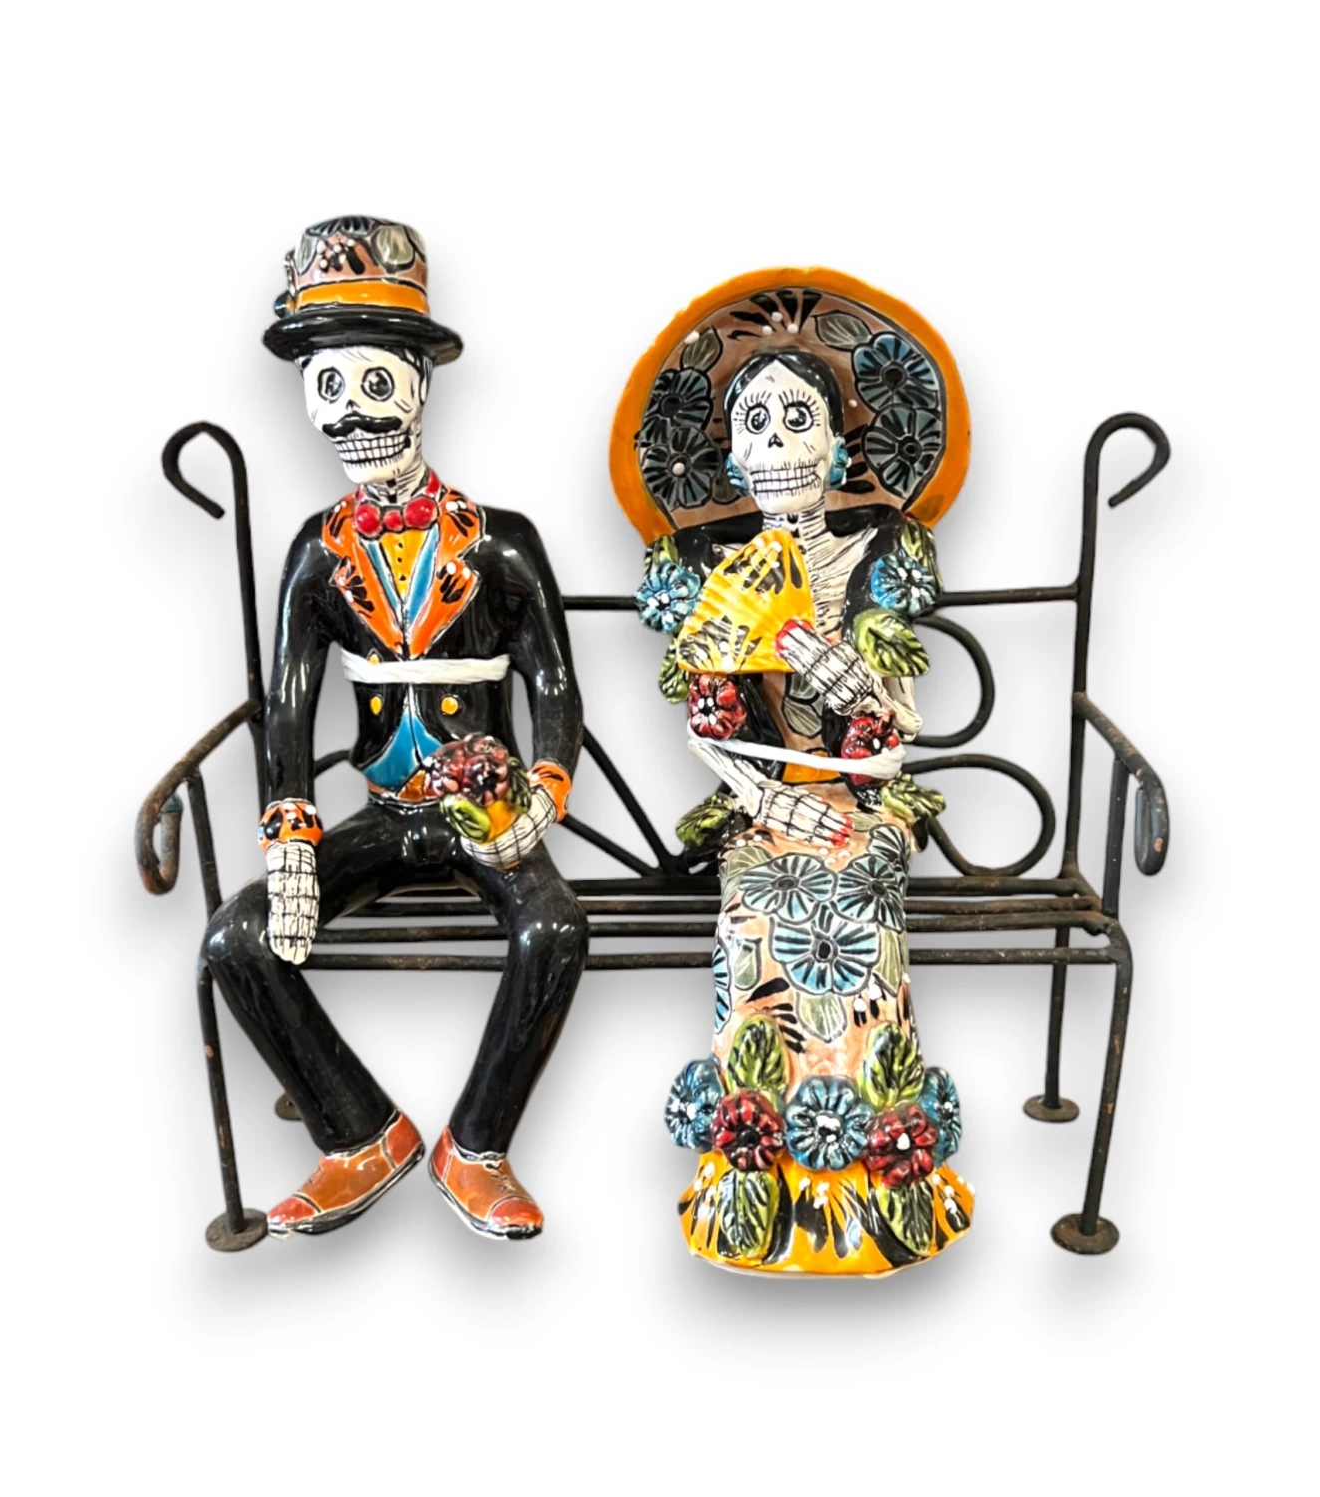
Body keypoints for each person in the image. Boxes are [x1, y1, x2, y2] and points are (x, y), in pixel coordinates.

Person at [203, 216, 587, 1241]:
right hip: (385, 814)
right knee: (236, 938)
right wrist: (291, 838)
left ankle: (478, 1146)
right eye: (327, 385)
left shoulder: (503, 545)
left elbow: (557, 689)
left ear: (421, 384)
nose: (351, 412)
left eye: (375, 382)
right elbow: (289, 708)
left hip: (488, 813)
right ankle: (359, 1134)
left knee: (554, 929)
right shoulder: (316, 553)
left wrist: (542, 799)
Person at [613, 272, 973, 1273]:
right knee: (755, 908)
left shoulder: (880, 553)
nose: (777, 444)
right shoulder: (707, 569)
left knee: (863, 890)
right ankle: (755, 1174)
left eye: (799, 419)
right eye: (757, 424)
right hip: (760, 808)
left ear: (839, 445)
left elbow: (900, 728)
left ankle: (881, 1178)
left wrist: (841, 673)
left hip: (863, 798)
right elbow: (709, 728)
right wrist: (771, 800)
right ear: (731, 453)